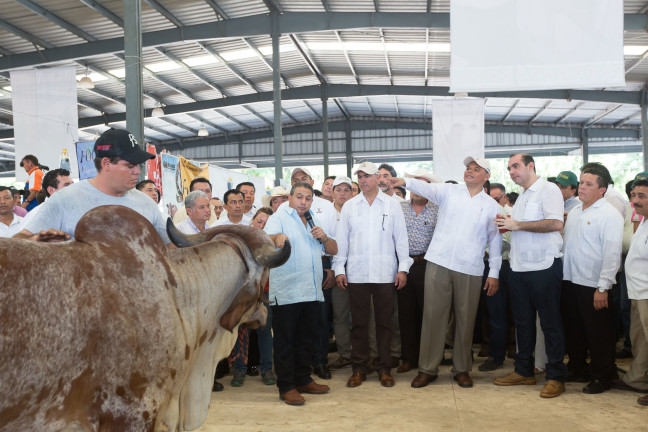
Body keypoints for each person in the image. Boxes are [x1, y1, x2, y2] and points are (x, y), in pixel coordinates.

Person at [391, 157, 502, 389]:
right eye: (468, 168)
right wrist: (404, 181)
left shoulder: (492, 206)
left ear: (486, 176)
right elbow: (426, 187)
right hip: (439, 262)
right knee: (432, 317)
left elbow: (495, 241)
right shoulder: (450, 192)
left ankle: (461, 369)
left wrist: (494, 272)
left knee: (465, 320)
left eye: (476, 169)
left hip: (470, 268)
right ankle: (427, 369)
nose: (469, 171)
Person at [15, 128, 170, 245]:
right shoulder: (64, 200)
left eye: (138, 165)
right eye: (130, 165)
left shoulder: (146, 203)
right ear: (106, 163)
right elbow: (21, 242)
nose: (137, 171)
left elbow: (171, 246)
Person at [333, 162, 412, 388]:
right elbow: (342, 241)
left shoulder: (392, 204)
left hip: (385, 273)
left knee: (384, 323)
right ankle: (359, 367)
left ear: (378, 178)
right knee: (358, 323)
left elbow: (401, 238)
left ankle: (384, 367)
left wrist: (403, 269)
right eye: (359, 176)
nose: (363, 180)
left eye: (367, 175)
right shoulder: (350, 206)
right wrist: (340, 268)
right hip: (356, 274)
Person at [494, 153, 566, 398]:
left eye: (516, 166)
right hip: (519, 267)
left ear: (530, 166)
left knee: (550, 323)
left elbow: (555, 224)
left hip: (544, 266)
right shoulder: (523, 196)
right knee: (522, 323)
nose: (512, 171)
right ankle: (523, 371)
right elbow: (518, 227)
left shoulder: (548, 190)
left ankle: (556, 376)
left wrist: (517, 225)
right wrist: (507, 222)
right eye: (509, 167)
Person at [264, 182, 337, 406]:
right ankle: (286, 386)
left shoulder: (314, 219)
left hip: (312, 290)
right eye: (299, 197)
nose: (303, 202)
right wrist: (278, 238)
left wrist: (324, 237)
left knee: (307, 339)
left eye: (307, 198)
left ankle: (303, 378)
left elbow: (333, 249)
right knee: (286, 341)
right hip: (287, 289)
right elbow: (267, 238)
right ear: (290, 197)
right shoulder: (280, 215)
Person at [561, 164, 624, 394]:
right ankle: (578, 368)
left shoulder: (609, 215)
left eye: (589, 184)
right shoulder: (576, 211)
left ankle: (602, 375)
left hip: (594, 285)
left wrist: (603, 287)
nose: (582, 187)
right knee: (574, 329)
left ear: (602, 190)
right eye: (581, 183)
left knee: (599, 333)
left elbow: (611, 253)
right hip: (570, 280)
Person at [289, 167, 336, 380]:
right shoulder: (284, 209)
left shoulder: (326, 206)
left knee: (320, 319)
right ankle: (301, 364)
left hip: (322, 266)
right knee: (298, 320)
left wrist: (332, 268)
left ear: (312, 181)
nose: (300, 181)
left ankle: (319, 361)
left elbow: (335, 240)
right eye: (296, 180)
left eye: (304, 178)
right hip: (294, 270)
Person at [396, 169, 440, 374]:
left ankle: (427, 359)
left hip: (427, 264)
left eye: (422, 185)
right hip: (403, 265)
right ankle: (408, 358)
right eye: (413, 185)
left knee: (427, 314)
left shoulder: (438, 209)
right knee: (405, 314)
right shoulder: (399, 208)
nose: (416, 190)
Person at [229, 207, 277, 387]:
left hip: (265, 294)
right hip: (244, 293)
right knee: (243, 331)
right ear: (252, 221)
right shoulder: (241, 242)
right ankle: (240, 369)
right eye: (259, 221)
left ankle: (266, 369)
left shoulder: (274, 245)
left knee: (265, 332)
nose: (262, 225)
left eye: (267, 223)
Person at [612, 172, 648, 405]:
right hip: (637, 291)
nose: (635, 200)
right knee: (640, 340)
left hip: (646, 292)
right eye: (634, 195)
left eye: (642, 196)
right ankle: (638, 379)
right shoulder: (643, 220)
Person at [328, 176, 355, 370]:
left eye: (347, 190)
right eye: (339, 190)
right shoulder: (324, 212)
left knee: (363, 314)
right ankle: (345, 354)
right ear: (332, 192)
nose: (343, 194)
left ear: (353, 192)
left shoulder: (358, 210)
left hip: (359, 269)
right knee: (340, 314)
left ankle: (366, 353)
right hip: (336, 270)